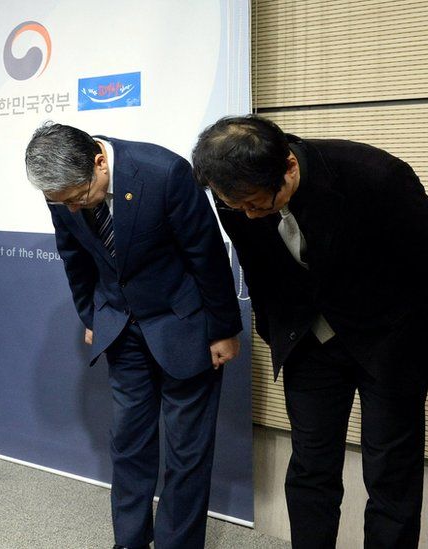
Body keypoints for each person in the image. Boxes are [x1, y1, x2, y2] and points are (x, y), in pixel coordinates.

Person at [192, 114, 428, 549]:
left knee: (391, 470)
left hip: (389, 343)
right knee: (310, 467)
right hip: (308, 343)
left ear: (288, 168)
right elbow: (259, 270)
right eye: (235, 205)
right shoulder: (236, 198)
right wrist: (274, 330)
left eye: (256, 204)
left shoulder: (376, 177)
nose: (247, 214)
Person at [24, 122, 242, 549]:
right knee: (128, 444)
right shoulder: (63, 192)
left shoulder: (164, 172)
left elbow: (207, 254)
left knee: (186, 451)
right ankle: (129, 540)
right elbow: (74, 257)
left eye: (76, 198)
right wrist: (92, 316)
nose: (70, 208)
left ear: (100, 163)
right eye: (60, 202)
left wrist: (222, 329)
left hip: (183, 326)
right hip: (121, 330)